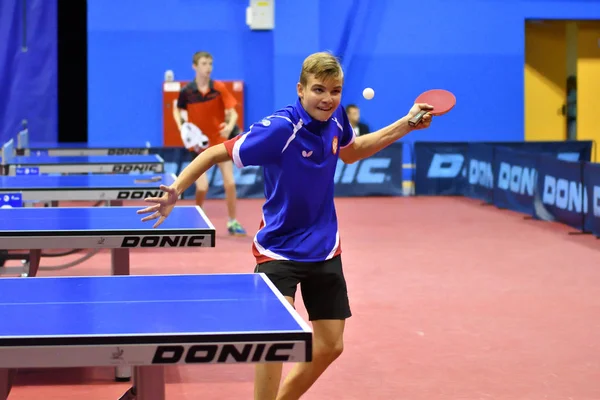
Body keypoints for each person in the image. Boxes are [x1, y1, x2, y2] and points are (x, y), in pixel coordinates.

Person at [130, 51, 433, 400]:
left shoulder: (336, 121)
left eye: (335, 91)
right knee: (274, 337)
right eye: (319, 89)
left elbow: (351, 151)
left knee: (331, 346)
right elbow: (215, 153)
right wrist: (177, 191)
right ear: (300, 90)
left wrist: (406, 124)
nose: (328, 98)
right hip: (278, 248)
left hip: (324, 247)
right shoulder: (280, 129)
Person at [173, 50, 246, 236]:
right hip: (198, 145)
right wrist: (181, 127)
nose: (208, 68)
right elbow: (177, 109)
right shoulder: (186, 92)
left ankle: (232, 221)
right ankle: (197, 213)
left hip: (220, 142)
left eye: (210, 64)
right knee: (202, 187)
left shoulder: (219, 88)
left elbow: (234, 112)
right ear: (195, 66)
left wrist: (229, 127)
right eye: (204, 64)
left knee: (230, 183)